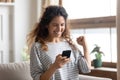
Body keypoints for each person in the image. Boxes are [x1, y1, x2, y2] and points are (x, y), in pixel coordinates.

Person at [27, 5, 91, 80]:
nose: (59, 29)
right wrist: (54, 66)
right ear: (47, 25)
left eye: (62, 24)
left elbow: (86, 69)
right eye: (55, 25)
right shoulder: (37, 47)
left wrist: (85, 46)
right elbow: (38, 78)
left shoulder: (69, 44)